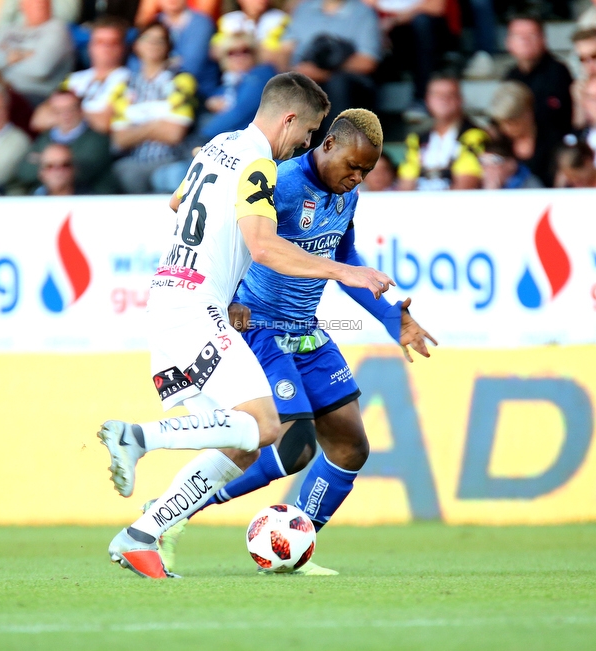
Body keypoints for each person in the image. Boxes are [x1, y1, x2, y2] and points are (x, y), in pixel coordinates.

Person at [95, 72, 393, 580]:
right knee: (266, 426)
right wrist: (348, 271)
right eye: (308, 132)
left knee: (244, 438)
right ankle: (137, 437)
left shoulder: (219, 145)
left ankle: (144, 532)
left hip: (174, 297)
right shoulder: (259, 164)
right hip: (197, 306)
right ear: (291, 118)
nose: (305, 144)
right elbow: (263, 247)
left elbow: (177, 203)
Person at [150, 109, 436, 576]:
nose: (357, 177)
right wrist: (229, 300)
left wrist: (392, 318)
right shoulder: (278, 181)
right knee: (293, 446)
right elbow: (228, 233)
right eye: (353, 166)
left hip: (306, 328)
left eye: (367, 171)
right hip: (257, 326)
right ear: (327, 144)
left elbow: (346, 259)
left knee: (349, 446)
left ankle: (292, 548)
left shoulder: (348, 196)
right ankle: (169, 512)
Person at [111, 22, 196, 194]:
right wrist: (157, 125)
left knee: (171, 176)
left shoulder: (182, 81)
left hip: (170, 159)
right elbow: (119, 139)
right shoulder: (124, 86)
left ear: (168, 46)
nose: (153, 44)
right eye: (147, 38)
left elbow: (174, 134)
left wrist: (137, 128)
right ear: (136, 45)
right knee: (125, 173)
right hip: (134, 163)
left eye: (159, 40)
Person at [278, 0, 382, 140]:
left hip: (348, 84)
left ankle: (336, 148)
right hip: (304, 76)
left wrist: (323, 71)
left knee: (337, 83)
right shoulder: (303, 9)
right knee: (276, 80)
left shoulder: (363, 12)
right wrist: (294, 69)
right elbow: (285, 50)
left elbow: (368, 61)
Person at [31, 15, 130, 134]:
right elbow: (39, 119)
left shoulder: (128, 79)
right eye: (99, 41)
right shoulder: (74, 79)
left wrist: (63, 113)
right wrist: (87, 116)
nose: (105, 47)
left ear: (122, 47)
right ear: (90, 46)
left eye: (112, 42)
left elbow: (104, 124)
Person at [397, 72, 487, 190]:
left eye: (450, 94)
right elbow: (406, 186)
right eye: (437, 95)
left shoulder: (475, 135)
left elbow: (466, 185)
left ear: (460, 100)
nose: (443, 100)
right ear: (427, 100)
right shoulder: (416, 139)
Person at [17, 88, 115, 193]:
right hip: (46, 199)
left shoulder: (97, 139)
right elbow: (24, 172)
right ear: (52, 113)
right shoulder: (45, 137)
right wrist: (64, 164)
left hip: (87, 200)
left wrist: (43, 161)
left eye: (71, 109)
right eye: (59, 111)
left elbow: (83, 173)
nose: (66, 115)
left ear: (80, 110)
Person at [0, 0, 74, 105]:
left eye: (43, 1)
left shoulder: (58, 29)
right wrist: (20, 55)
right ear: (21, 4)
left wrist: (4, 61)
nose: (39, 3)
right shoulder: (9, 29)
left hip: (35, 96)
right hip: (1, 92)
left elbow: (40, 69)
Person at [503, 13, 573, 139]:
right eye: (519, 36)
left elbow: (556, 120)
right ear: (508, 43)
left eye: (531, 35)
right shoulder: (510, 77)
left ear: (543, 39)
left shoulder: (558, 72)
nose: (525, 41)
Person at [488, 80, 561, 187]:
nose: (506, 128)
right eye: (502, 123)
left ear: (528, 114)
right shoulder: (497, 141)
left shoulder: (551, 141)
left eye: (511, 122)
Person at [153, 0, 220, 99]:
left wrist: (157, 64)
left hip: (200, 97)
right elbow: (137, 64)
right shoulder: (153, 23)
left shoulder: (201, 23)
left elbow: (191, 66)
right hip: (155, 96)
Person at [214, 0, 289, 65]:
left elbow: (276, 55)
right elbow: (215, 51)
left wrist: (235, 45)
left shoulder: (280, 20)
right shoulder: (229, 20)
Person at [479, 136, 544, 189]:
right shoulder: (478, 185)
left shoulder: (530, 184)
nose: (488, 168)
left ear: (511, 164)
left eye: (495, 161)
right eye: (482, 161)